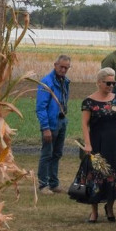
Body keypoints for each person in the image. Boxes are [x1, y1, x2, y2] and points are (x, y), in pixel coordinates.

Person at [80, 68, 116, 222]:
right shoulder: (89, 101)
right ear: (99, 82)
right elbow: (84, 124)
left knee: (114, 174)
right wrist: (87, 144)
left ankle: (110, 207)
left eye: (113, 83)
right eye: (108, 83)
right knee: (96, 175)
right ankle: (94, 211)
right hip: (97, 142)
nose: (111, 86)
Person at [36, 54, 71, 194]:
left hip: (61, 121)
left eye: (66, 68)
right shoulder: (46, 82)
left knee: (57, 154)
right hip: (50, 123)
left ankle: (53, 183)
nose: (63, 70)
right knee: (47, 154)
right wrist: (45, 128)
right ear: (55, 65)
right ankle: (43, 184)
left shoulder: (65, 81)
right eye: (61, 67)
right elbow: (41, 107)